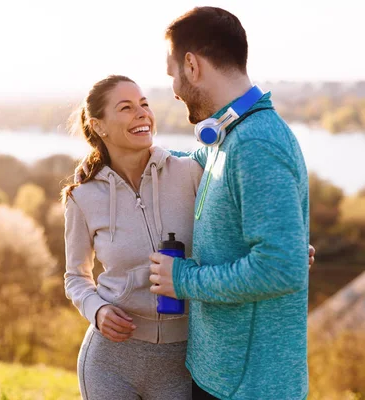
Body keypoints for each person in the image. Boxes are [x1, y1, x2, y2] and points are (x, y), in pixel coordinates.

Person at [62, 75, 315, 399]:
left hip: (183, 359)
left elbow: (235, 224)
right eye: (126, 108)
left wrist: (287, 247)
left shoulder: (190, 171)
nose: (142, 114)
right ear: (99, 126)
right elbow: (75, 277)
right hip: (111, 359)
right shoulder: (82, 197)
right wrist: (97, 310)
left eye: (144, 105)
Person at [148, 7, 311, 400]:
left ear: (191, 65)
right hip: (222, 374)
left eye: (172, 72)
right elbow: (189, 161)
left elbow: (280, 268)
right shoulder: (228, 139)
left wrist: (181, 279)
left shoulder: (255, 144)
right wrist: (121, 152)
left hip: (250, 386)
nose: (172, 86)